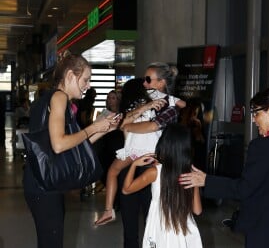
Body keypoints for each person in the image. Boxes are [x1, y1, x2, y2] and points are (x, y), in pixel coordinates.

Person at [179, 88, 269, 248]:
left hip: (265, 229)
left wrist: (206, 181)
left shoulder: (261, 146)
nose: (254, 120)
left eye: (256, 113)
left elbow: (244, 189)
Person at [23, 54, 120, 248]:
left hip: (42, 182)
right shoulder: (59, 98)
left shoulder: (54, 99)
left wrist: (102, 129)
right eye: (85, 79)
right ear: (69, 76)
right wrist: (93, 128)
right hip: (44, 186)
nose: (88, 85)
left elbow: (71, 145)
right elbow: (59, 144)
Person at [119, 62, 184, 248]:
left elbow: (151, 126)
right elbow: (123, 120)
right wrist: (142, 109)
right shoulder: (145, 103)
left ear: (161, 82)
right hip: (135, 163)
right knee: (129, 221)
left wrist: (129, 126)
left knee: (154, 221)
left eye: (148, 80)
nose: (144, 84)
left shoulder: (170, 107)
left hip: (156, 169)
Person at [94, 78, 169, 226]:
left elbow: (123, 126)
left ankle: (108, 210)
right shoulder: (153, 100)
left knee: (112, 172)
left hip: (133, 150)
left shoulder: (132, 107)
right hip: (152, 150)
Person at [122, 123, 203, 248]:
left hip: (160, 228)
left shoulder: (155, 172)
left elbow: (126, 190)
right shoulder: (190, 173)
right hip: (184, 230)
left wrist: (134, 165)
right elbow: (197, 211)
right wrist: (196, 183)